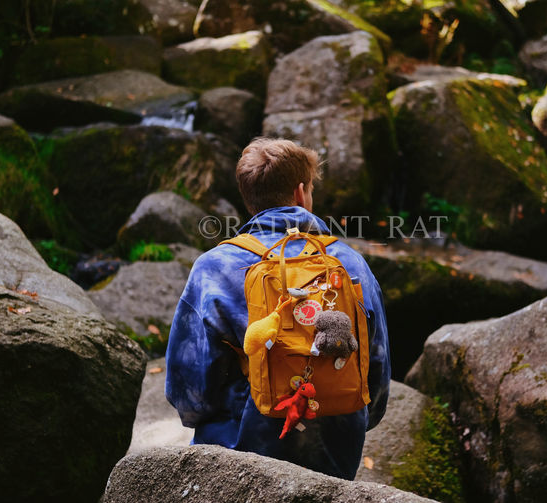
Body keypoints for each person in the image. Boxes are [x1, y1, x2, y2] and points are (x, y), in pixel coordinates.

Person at [166, 137, 391, 480]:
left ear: (248, 198)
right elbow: (376, 368)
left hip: (237, 455)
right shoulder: (350, 262)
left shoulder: (214, 267)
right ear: (301, 193)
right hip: (331, 456)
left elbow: (189, 391)